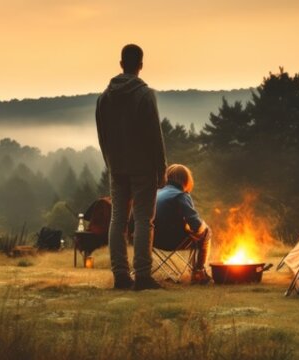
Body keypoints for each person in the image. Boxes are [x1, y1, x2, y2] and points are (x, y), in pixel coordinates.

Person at [95, 44, 168, 290]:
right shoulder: (145, 95)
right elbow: (154, 135)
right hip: (143, 168)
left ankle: (121, 275)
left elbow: (102, 134)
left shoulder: (105, 97)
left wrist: (110, 162)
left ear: (121, 64)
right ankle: (143, 275)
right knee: (143, 220)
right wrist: (161, 168)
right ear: (140, 65)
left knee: (117, 219)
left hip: (117, 167)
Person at [154, 164, 212, 284]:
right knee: (206, 231)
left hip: (152, 240)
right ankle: (199, 272)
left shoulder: (156, 193)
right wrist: (202, 226)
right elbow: (196, 224)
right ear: (186, 180)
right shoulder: (181, 195)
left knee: (196, 231)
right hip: (172, 241)